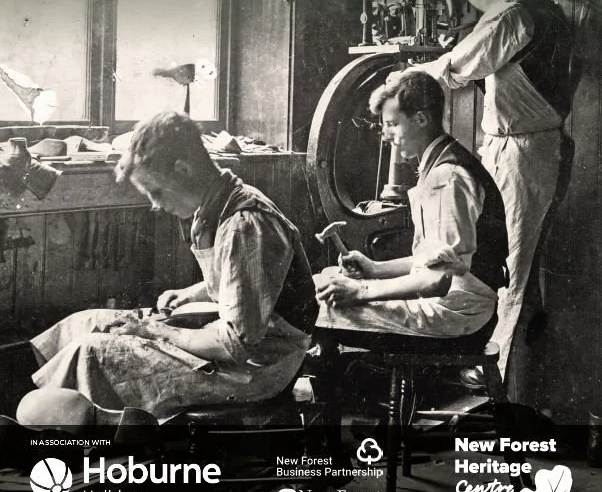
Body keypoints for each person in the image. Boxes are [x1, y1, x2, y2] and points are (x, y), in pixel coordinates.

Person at [21, 112, 317, 423]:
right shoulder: (219, 205)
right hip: (243, 342)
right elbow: (244, 279)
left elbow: (235, 345)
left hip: (261, 367)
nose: (156, 204)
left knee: (92, 351)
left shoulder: (245, 223)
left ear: (183, 169)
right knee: (86, 322)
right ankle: (38, 414)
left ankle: (60, 432)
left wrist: (156, 331)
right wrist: (192, 293)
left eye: (156, 191)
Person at [396, 0, 572, 399]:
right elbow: (487, 1)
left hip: (522, 154)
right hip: (519, 147)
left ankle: (501, 384)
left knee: (512, 265)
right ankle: (493, 370)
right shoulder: (533, 5)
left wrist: (404, 79)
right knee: (497, 258)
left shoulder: (514, 18)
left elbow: (457, 66)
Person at [315, 73, 508, 345]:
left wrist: (360, 289)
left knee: (317, 307)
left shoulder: (448, 177)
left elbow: (438, 279)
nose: (386, 136)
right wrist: (374, 269)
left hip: (458, 314)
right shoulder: (439, 165)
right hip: (451, 302)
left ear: (420, 119)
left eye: (393, 124)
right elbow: (432, 261)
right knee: (322, 284)